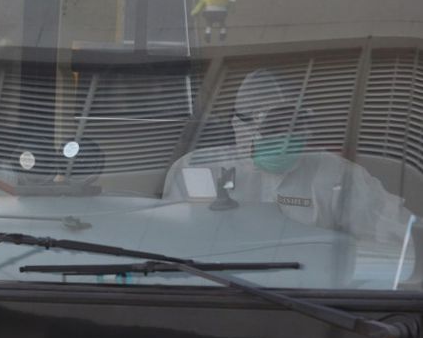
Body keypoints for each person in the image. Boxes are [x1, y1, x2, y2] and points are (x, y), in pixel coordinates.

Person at [164, 69, 412, 245]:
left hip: (313, 302)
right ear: (243, 128)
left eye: (296, 124)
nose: (287, 136)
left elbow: (394, 232)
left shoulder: (336, 175)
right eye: (275, 125)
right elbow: (174, 244)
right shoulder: (197, 170)